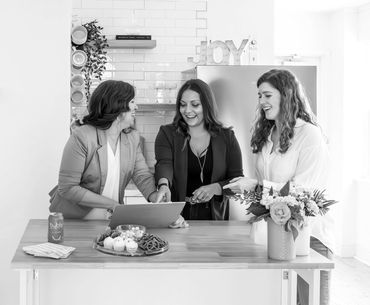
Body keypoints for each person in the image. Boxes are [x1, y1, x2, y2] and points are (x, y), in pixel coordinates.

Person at [223, 69, 333, 305]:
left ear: (286, 94)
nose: (261, 102)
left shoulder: (309, 135)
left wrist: (256, 185)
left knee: (309, 302)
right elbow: (265, 191)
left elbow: (305, 192)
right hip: (272, 238)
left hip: (308, 238)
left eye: (267, 95)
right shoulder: (266, 134)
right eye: (259, 96)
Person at [49, 80, 169, 219]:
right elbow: (68, 188)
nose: (136, 106)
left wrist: (155, 196)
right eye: (132, 102)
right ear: (117, 106)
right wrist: (113, 205)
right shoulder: (83, 137)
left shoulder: (132, 138)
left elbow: (141, 174)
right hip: (77, 219)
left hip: (111, 217)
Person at [154, 79, 243, 221]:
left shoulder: (227, 137)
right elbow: (164, 164)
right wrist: (163, 185)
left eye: (195, 105)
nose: (187, 110)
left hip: (215, 220)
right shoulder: (167, 134)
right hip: (176, 217)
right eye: (183, 105)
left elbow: (238, 181)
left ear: (207, 105)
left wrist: (216, 188)